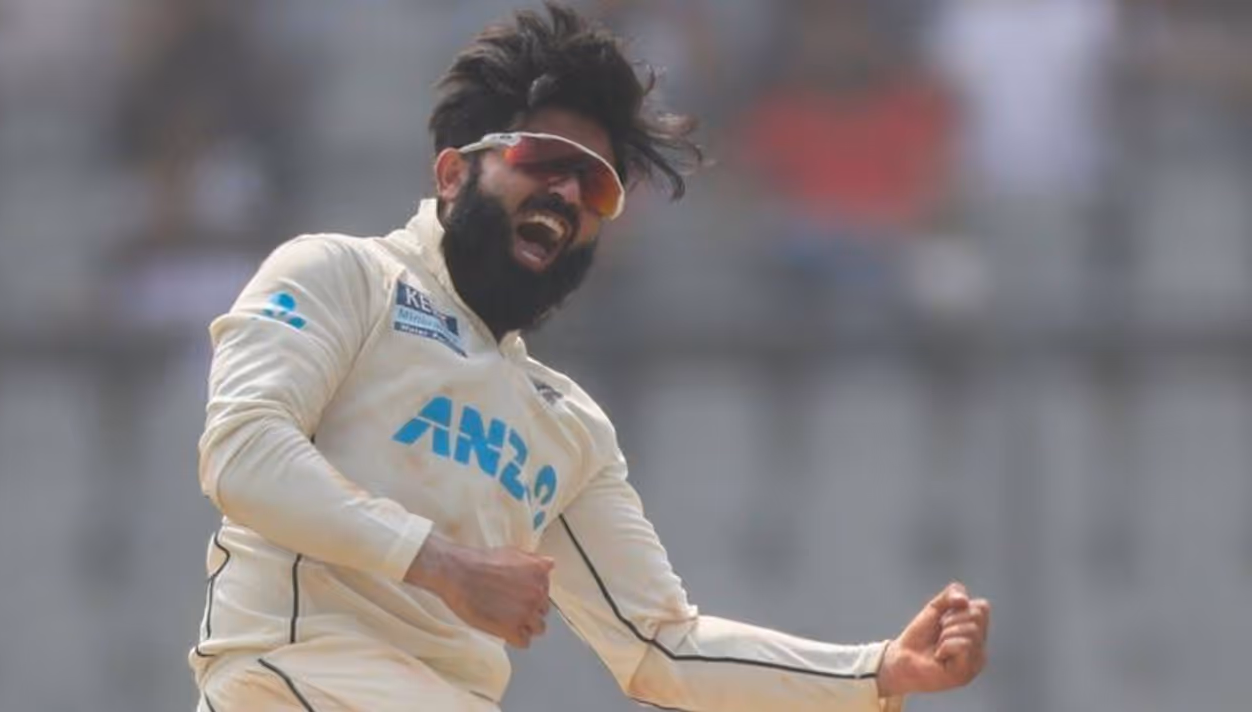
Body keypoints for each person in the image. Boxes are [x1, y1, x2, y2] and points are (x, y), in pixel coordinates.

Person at [189, 4, 990, 711]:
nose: (569, 195)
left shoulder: (565, 424)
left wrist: (877, 671)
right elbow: (244, 453)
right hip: (295, 686)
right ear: (454, 172)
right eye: (544, 161)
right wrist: (442, 565)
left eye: (596, 186)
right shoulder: (341, 276)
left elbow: (661, 647)